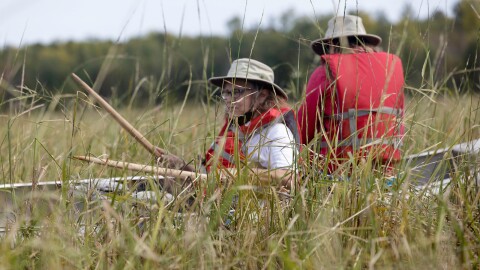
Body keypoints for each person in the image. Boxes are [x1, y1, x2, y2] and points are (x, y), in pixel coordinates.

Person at [158, 58, 300, 189]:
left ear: (262, 95)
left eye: (237, 92)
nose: (228, 99)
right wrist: (181, 166)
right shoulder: (234, 129)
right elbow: (208, 178)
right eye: (226, 92)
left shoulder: (276, 132)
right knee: (148, 188)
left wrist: (238, 174)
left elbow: (288, 178)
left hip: (251, 214)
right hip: (217, 206)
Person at [297, 15, 405, 175]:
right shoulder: (391, 69)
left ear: (331, 45)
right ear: (365, 42)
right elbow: (399, 123)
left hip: (338, 175)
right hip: (385, 172)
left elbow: (303, 130)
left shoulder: (324, 73)